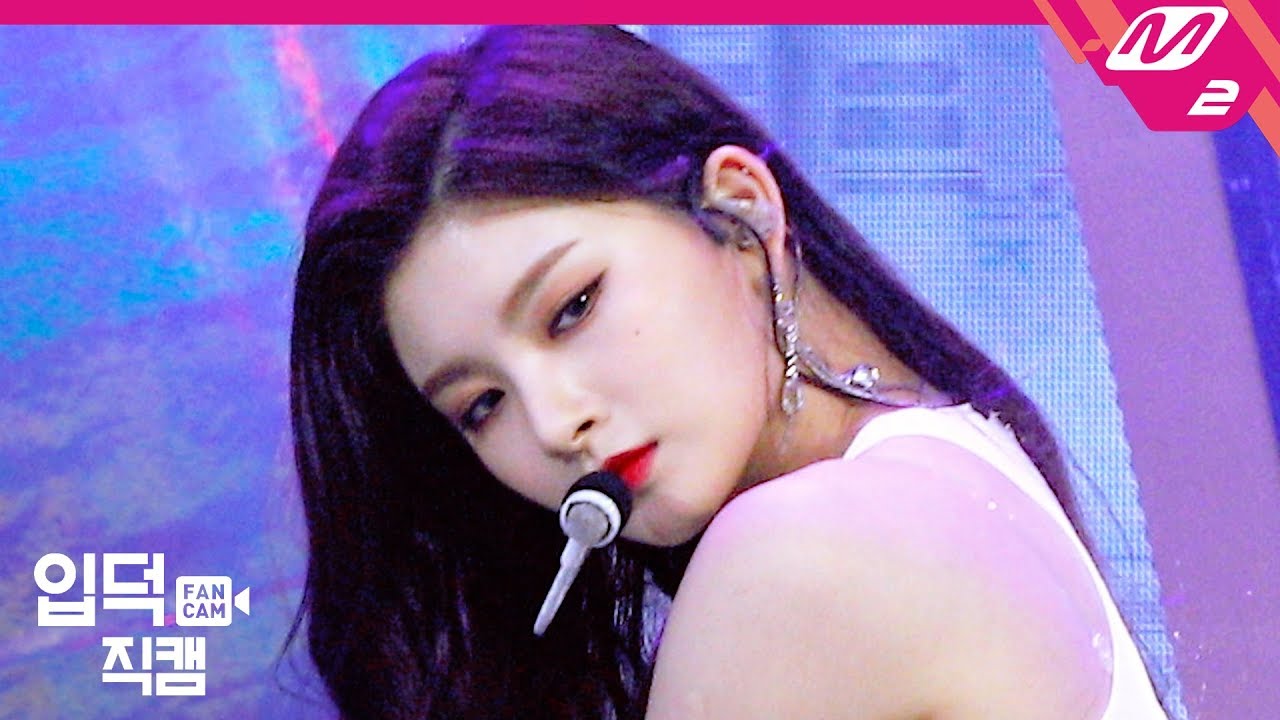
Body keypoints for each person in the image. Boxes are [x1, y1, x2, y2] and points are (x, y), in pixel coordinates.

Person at [288, 24, 1171, 719]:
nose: (554, 423)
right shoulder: (954, 446)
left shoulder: (795, 560)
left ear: (739, 212)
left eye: (573, 307)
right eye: (482, 404)